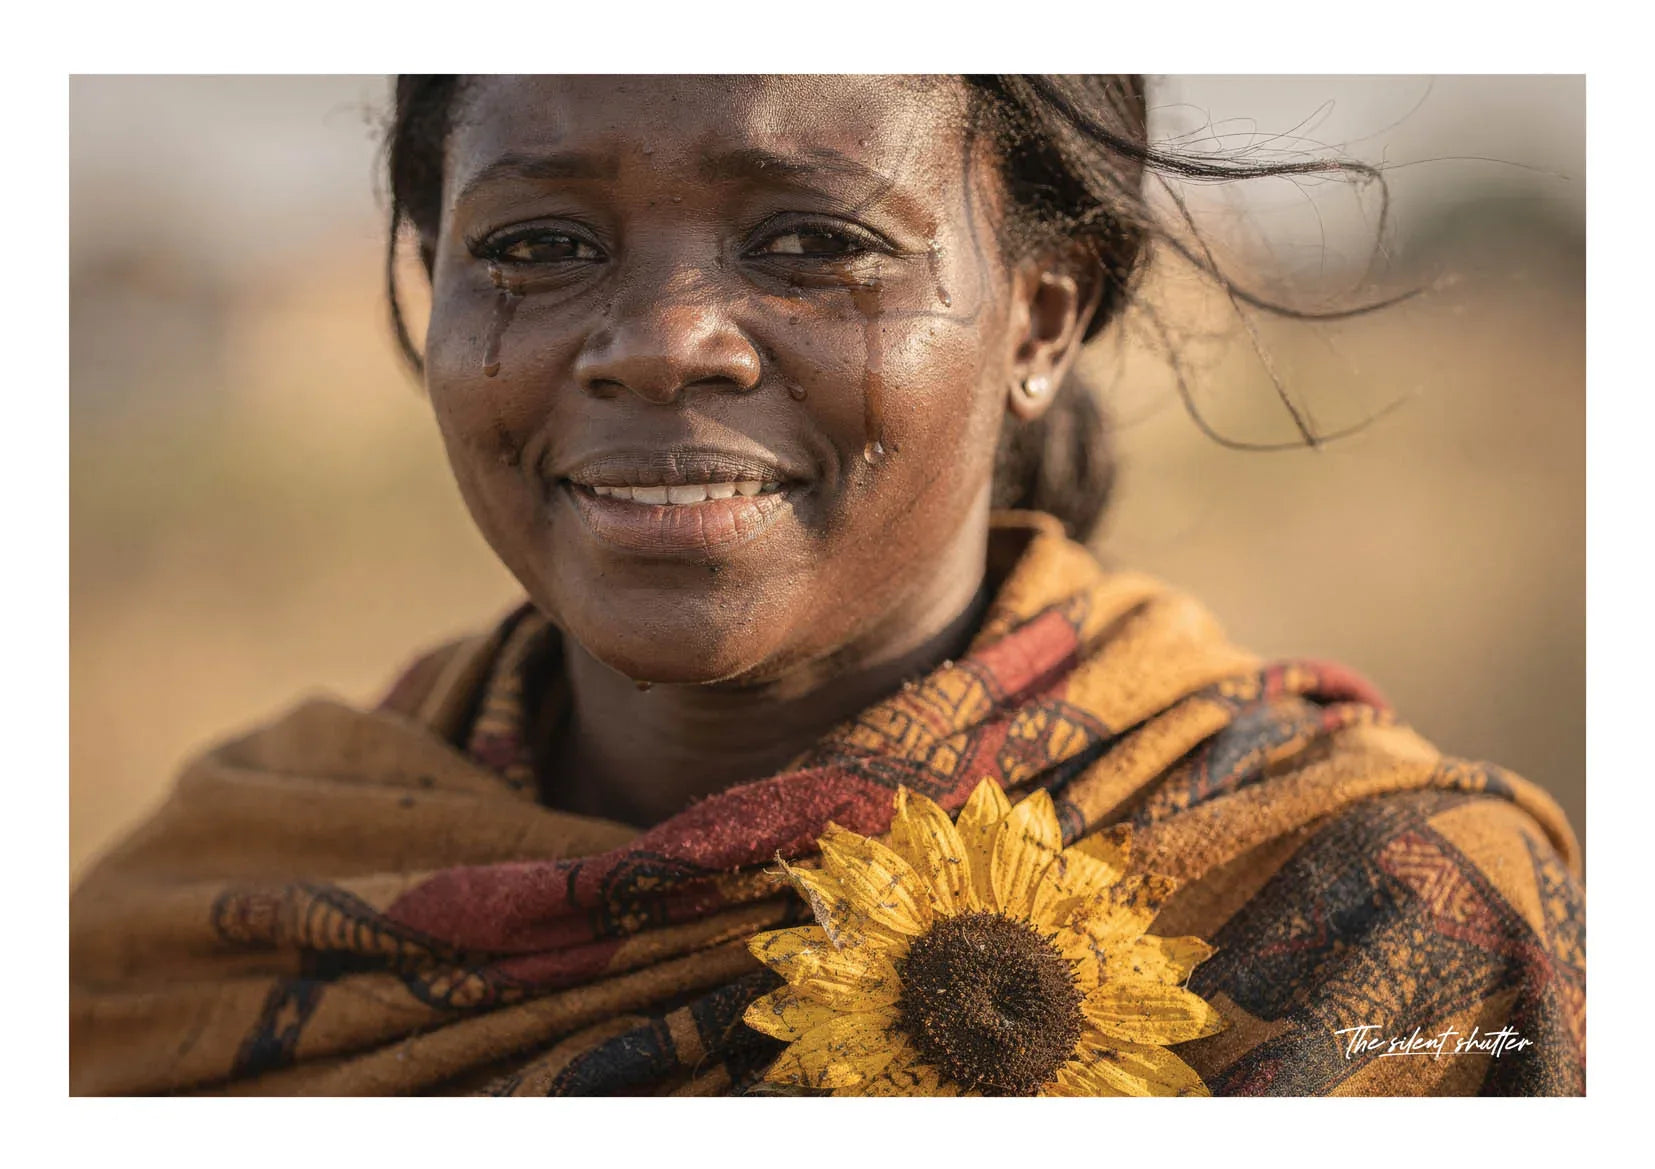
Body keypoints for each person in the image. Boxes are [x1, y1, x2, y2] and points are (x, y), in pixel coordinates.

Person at [69, 75, 1584, 1096]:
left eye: (813, 241)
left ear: (1041, 319)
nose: (663, 340)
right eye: (537, 243)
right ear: (437, 288)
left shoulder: (1384, 923)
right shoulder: (195, 926)